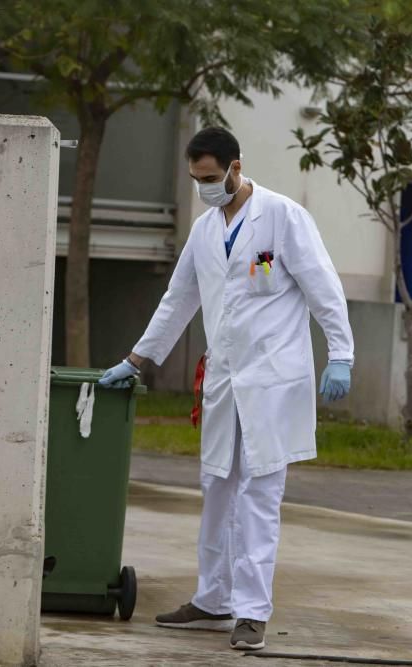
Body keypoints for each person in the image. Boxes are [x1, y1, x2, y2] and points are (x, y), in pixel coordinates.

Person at [99, 126, 354, 651]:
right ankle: (213, 599)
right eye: (196, 179)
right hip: (225, 379)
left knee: (260, 494)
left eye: (211, 178)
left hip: (273, 381)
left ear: (237, 167)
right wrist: (137, 358)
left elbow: (324, 288)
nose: (204, 188)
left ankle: (252, 612)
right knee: (216, 486)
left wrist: (342, 355)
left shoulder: (282, 217)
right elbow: (178, 300)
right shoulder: (203, 230)